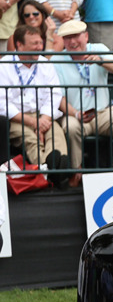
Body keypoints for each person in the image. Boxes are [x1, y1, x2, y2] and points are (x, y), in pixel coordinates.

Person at [55, 19, 113, 170]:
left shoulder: (99, 48)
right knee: (70, 127)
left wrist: (101, 61)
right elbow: (58, 97)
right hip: (75, 115)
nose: (72, 41)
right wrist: (76, 114)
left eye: (76, 36)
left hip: (103, 113)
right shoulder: (57, 59)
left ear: (86, 36)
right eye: (67, 37)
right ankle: (76, 173)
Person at [0, 24, 72, 185]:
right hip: (17, 118)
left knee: (56, 133)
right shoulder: (3, 65)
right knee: (31, 139)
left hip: (43, 115)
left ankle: (58, 165)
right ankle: (48, 167)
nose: (40, 47)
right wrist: (33, 123)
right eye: (34, 44)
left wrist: (43, 120)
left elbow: (54, 95)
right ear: (19, 45)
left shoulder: (45, 63)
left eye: (40, 42)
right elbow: (3, 103)